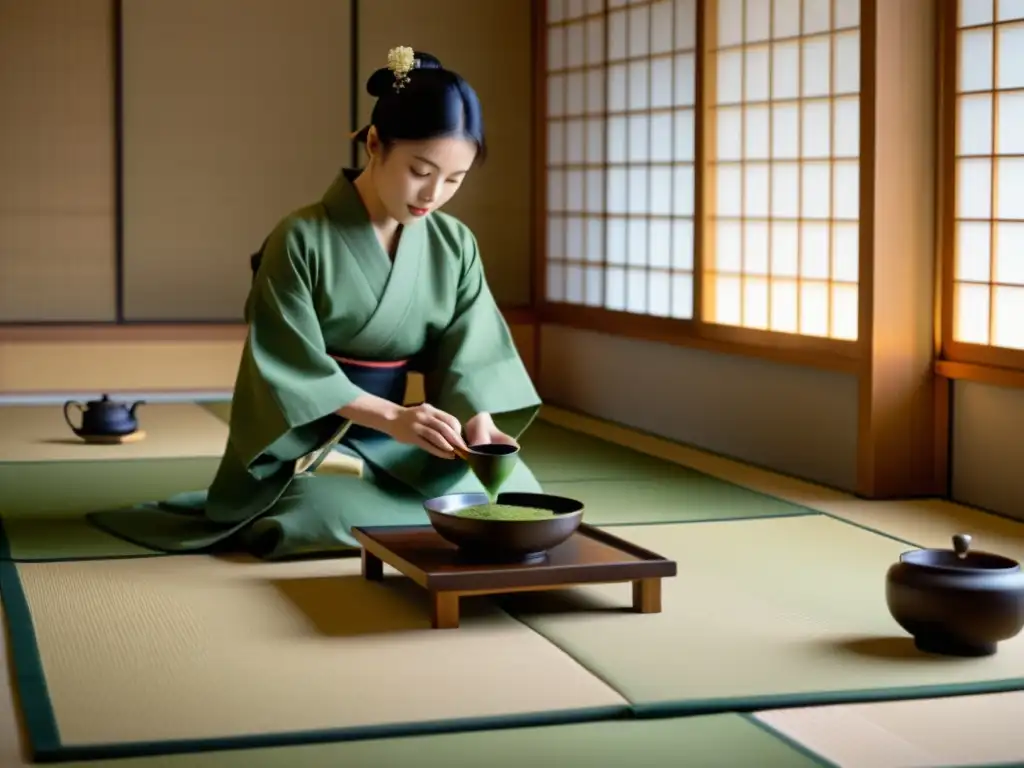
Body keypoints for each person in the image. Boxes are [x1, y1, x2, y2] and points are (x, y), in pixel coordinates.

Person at [89, 48, 544, 559]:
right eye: (420, 170)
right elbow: (288, 365)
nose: (433, 194)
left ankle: (414, 508)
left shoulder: (454, 244)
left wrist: (478, 426)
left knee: (517, 491)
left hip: (403, 436)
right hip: (310, 438)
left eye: (454, 180)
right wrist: (393, 417)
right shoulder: (300, 238)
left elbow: (472, 351)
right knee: (318, 513)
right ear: (375, 143)